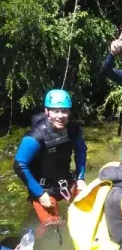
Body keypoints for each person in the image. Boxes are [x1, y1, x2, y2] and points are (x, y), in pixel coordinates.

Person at [13, 89, 87, 225]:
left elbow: (81, 151)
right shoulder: (36, 135)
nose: (60, 116)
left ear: (69, 112)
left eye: (64, 111)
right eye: (55, 111)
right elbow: (19, 164)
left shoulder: (74, 129)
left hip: (66, 181)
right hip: (43, 188)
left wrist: (81, 178)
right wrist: (39, 194)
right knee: (52, 226)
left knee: (86, 213)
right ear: (47, 111)